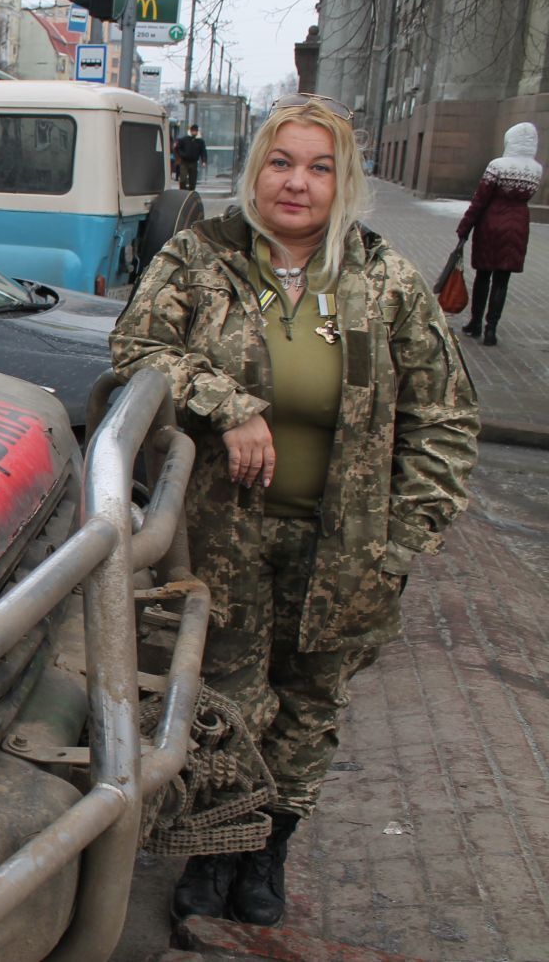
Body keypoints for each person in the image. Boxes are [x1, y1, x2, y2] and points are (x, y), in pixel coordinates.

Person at [111, 95, 479, 928]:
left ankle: (266, 846)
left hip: (344, 547)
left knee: (309, 705)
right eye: (282, 162)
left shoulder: (385, 279)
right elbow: (138, 347)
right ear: (254, 170)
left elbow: (446, 418)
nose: (298, 183)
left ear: (343, 181)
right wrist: (226, 401)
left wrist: (399, 540)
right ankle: (211, 850)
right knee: (223, 700)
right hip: (224, 538)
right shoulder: (199, 260)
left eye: (319, 167)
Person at [457, 122, 542, 346]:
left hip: (491, 224)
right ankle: (491, 329)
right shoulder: (536, 169)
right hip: (519, 226)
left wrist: (465, 227)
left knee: (483, 276)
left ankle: (475, 323)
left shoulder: (498, 165)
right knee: (502, 280)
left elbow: (480, 200)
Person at [174, 124, 207, 190]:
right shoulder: (184, 139)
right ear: (191, 131)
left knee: (193, 180)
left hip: (194, 162)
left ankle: (191, 192)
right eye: (193, 131)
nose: (194, 132)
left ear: (197, 132)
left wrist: (204, 161)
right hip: (184, 162)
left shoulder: (200, 141)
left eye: (195, 131)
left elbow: (203, 151)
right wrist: (181, 155)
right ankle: (183, 191)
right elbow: (177, 148)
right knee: (183, 179)